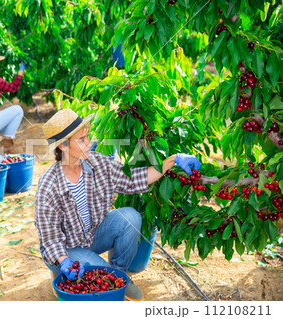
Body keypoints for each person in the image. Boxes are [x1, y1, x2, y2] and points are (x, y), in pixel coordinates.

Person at [34, 108, 201, 301]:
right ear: (62, 146)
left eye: (87, 137)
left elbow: (134, 179)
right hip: (64, 248)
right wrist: (63, 261)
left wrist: (173, 160)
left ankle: (120, 274)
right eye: (81, 140)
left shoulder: (99, 164)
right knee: (99, 276)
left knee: (130, 217)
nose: (89, 143)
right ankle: (61, 272)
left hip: (90, 237)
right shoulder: (49, 185)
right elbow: (50, 238)